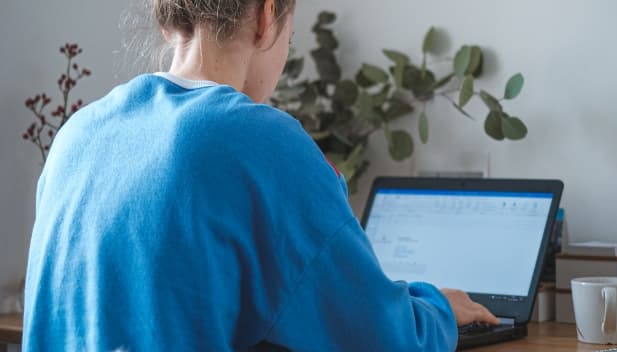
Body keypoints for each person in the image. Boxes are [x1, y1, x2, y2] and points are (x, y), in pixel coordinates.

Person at [23, 0, 499, 350]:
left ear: (172, 24)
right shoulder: (258, 139)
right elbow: (377, 338)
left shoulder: (77, 135)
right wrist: (437, 310)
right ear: (267, 16)